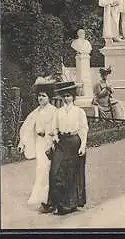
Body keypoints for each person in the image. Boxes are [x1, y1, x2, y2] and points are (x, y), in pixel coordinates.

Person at [41, 81, 88, 215]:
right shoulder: (59, 112)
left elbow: (84, 129)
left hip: (74, 142)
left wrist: (83, 146)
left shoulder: (79, 112)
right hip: (61, 143)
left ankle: (69, 204)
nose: (67, 98)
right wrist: (55, 136)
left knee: (71, 172)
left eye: (69, 96)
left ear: (73, 97)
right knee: (55, 171)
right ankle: (53, 202)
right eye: (65, 96)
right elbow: (54, 127)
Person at [17, 77, 57, 209]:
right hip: (40, 143)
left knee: (48, 170)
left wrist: (52, 139)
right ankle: (42, 198)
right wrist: (22, 143)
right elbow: (28, 127)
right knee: (41, 169)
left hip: (50, 143)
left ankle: (49, 199)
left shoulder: (53, 111)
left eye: (43, 96)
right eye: (39, 96)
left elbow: (56, 127)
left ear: (48, 97)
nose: (41, 98)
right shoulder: (36, 112)